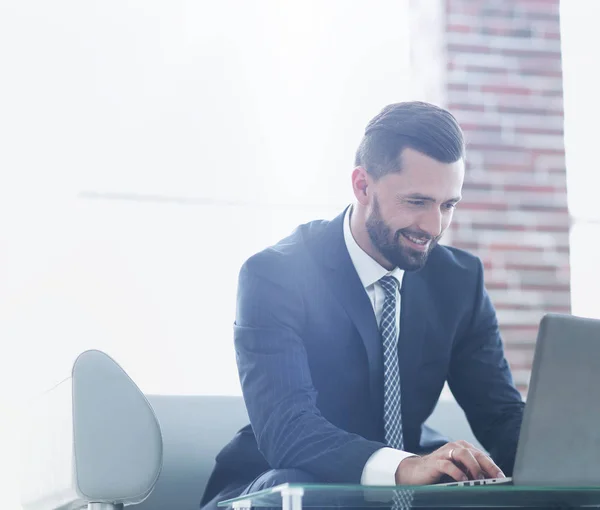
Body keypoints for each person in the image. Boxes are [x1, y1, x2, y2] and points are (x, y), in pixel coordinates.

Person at [200, 101, 525, 510]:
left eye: (448, 205)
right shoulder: (275, 275)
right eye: (416, 202)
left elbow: (501, 414)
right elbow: (288, 430)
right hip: (274, 486)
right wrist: (404, 467)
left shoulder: (458, 282)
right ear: (362, 186)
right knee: (309, 491)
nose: (434, 226)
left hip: (407, 479)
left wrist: (567, 463)